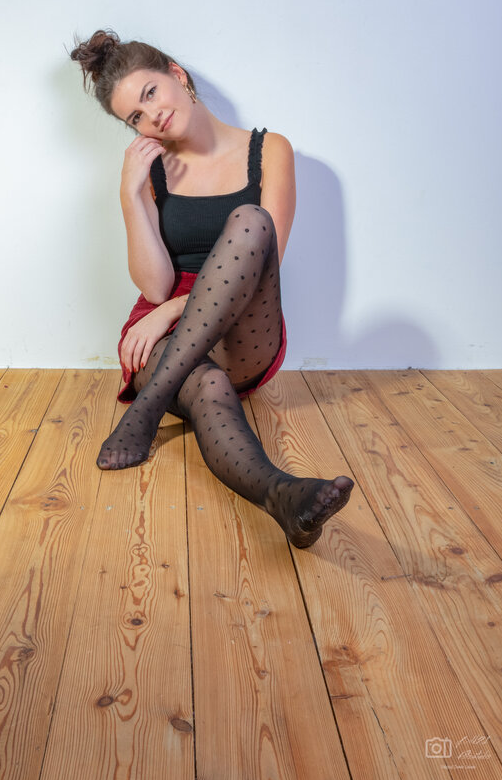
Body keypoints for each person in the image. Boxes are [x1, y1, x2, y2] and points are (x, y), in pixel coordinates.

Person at [70, 29, 353, 548]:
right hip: (164, 340)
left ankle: (146, 408)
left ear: (177, 76)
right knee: (208, 387)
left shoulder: (270, 150)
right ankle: (285, 498)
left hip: (242, 323)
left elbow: (265, 256)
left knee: (250, 221)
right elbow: (155, 287)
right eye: (134, 117)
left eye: (151, 93)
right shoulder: (152, 171)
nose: (151, 116)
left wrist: (170, 312)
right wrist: (130, 194)